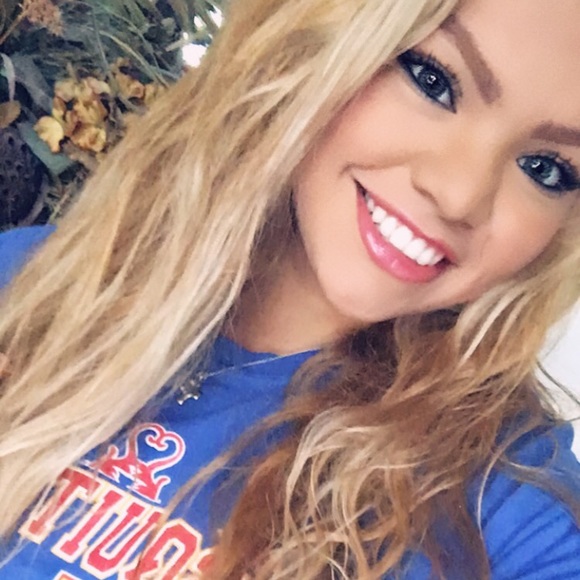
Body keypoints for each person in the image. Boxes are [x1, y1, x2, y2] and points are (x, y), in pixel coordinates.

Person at [0, 0, 579, 577]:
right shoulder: (31, 284)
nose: (459, 195)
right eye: (433, 81)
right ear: (307, 42)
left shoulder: (505, 501)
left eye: (546, 168)